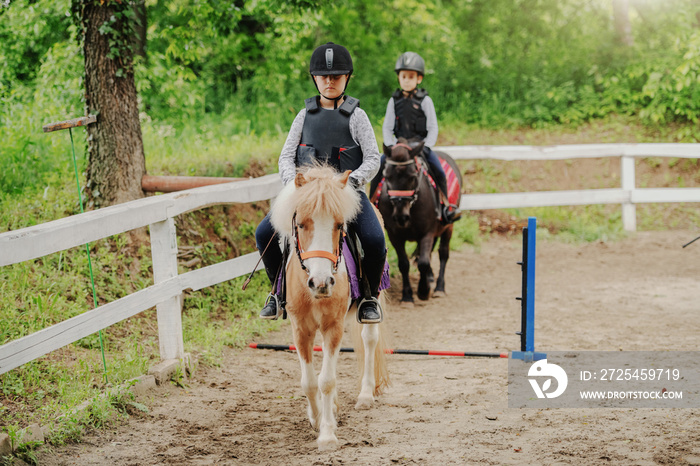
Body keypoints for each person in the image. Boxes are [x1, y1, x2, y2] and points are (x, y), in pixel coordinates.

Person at [255, 42, 386, 324]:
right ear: (315, 78)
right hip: (307, 197)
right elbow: (285, 157)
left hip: (344, 194)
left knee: (375, 240)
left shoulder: (357, 117)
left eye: (336, 76)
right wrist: (296, 186)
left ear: (346, 78)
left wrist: (352, 182)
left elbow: (373, 159)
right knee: (263, 233)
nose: (329, 81)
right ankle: (278, 294)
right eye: (324, 76)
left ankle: (369, 298)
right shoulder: (304, 116)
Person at [370, 51, 455, 222]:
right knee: (379, 166)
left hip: (419, 147)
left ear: (419, 78)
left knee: (438, 169)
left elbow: (432, 127)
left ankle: (446, 205)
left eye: (411, 76)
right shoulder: (393, 101)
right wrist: (392, 146)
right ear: (399, 78)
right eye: (403, 76)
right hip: (399, 147)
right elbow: (387, 127)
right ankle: (371, 204)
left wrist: (427, 146)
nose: (407, 80)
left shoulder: (425, 100)